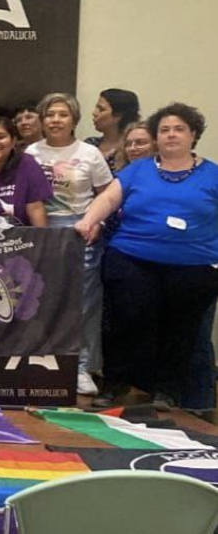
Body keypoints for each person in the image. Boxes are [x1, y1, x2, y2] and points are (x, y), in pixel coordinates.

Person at [76, 103, 218, 412]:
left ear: (193, 135)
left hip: (194, 265)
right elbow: (108, 198)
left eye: (179, 129)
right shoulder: (137, 170)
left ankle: (166, 390)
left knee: (180, 330)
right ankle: (116, 384)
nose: (171, 135)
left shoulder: (213, 175)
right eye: (164, 130)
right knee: (126, 323)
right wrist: (89, 220)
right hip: (132, 257)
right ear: (156, 137)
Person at [26, 93, 113, 396]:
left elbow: (107, 195)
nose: (55, 120)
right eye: (50, 114)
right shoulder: (30, 153)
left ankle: (80, 366)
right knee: (41, 300)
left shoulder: (90, 153)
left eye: (62, 114)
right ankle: (40, 361)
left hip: (80, 232)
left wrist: (96, 223)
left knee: (82, 303)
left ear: (73, 119)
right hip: (41, 232)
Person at [87, 88, 141, 168]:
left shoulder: (132, 150)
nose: (94, 113)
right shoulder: (90, 144)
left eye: (101, 109)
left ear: (118, 115)